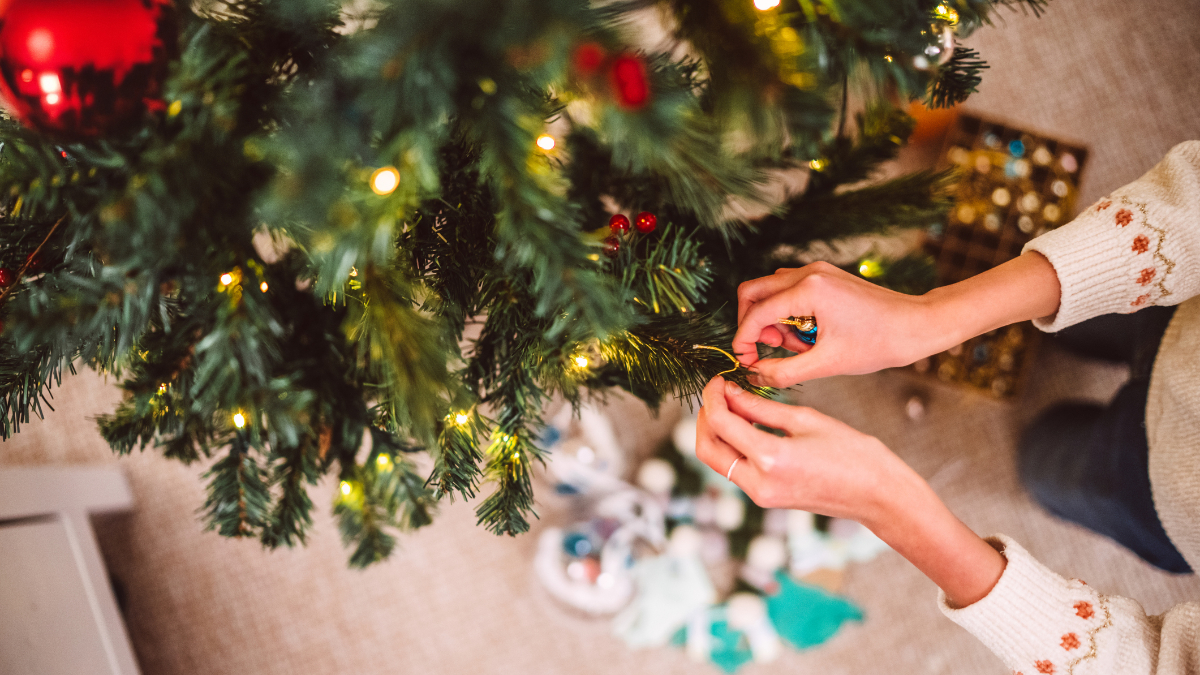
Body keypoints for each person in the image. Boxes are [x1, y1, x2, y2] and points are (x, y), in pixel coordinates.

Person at [695, 141, 1200, 674]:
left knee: (1049, 464)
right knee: (1087, 322)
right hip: (1180, 307)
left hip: (1161, 498)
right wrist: (930, 319)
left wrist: (885, 501)